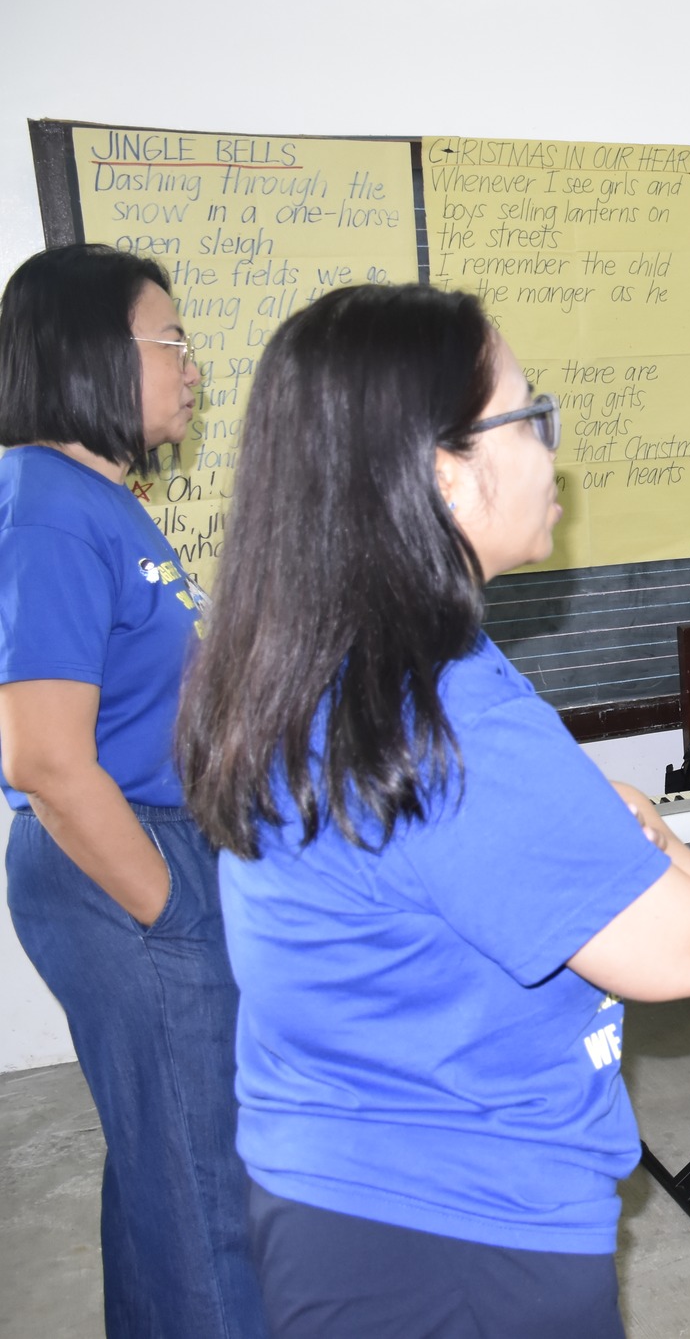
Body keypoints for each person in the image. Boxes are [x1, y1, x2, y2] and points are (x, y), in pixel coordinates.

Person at [176, 284, 690, 1338]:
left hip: (345, 1190)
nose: (550, 449)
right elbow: (683, 950)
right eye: (528, 416)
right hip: (460, 1230)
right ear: (444, 471)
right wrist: (641, 827)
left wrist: (580, 816)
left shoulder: (312, 654)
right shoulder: (437, 709)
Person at [0, 245, 267, 1335]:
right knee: (206, 1190)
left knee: (169, 1169)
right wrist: (169, 907)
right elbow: (46, 758)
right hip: (120, 865)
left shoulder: (99, 499)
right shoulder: (49, 506)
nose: (192, 365)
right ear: (91, 355)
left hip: (158, 847)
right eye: (172, 340)